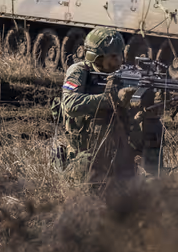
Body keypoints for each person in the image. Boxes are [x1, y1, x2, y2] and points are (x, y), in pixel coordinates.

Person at [56, 27, 136, 183]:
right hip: (84, 152)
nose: (119, 60)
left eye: (120, 54)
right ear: (96, 57)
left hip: (116, 147)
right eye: (112, 56)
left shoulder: (126, 72)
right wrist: (110, 98)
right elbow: (69, 104)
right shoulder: (79, 71)